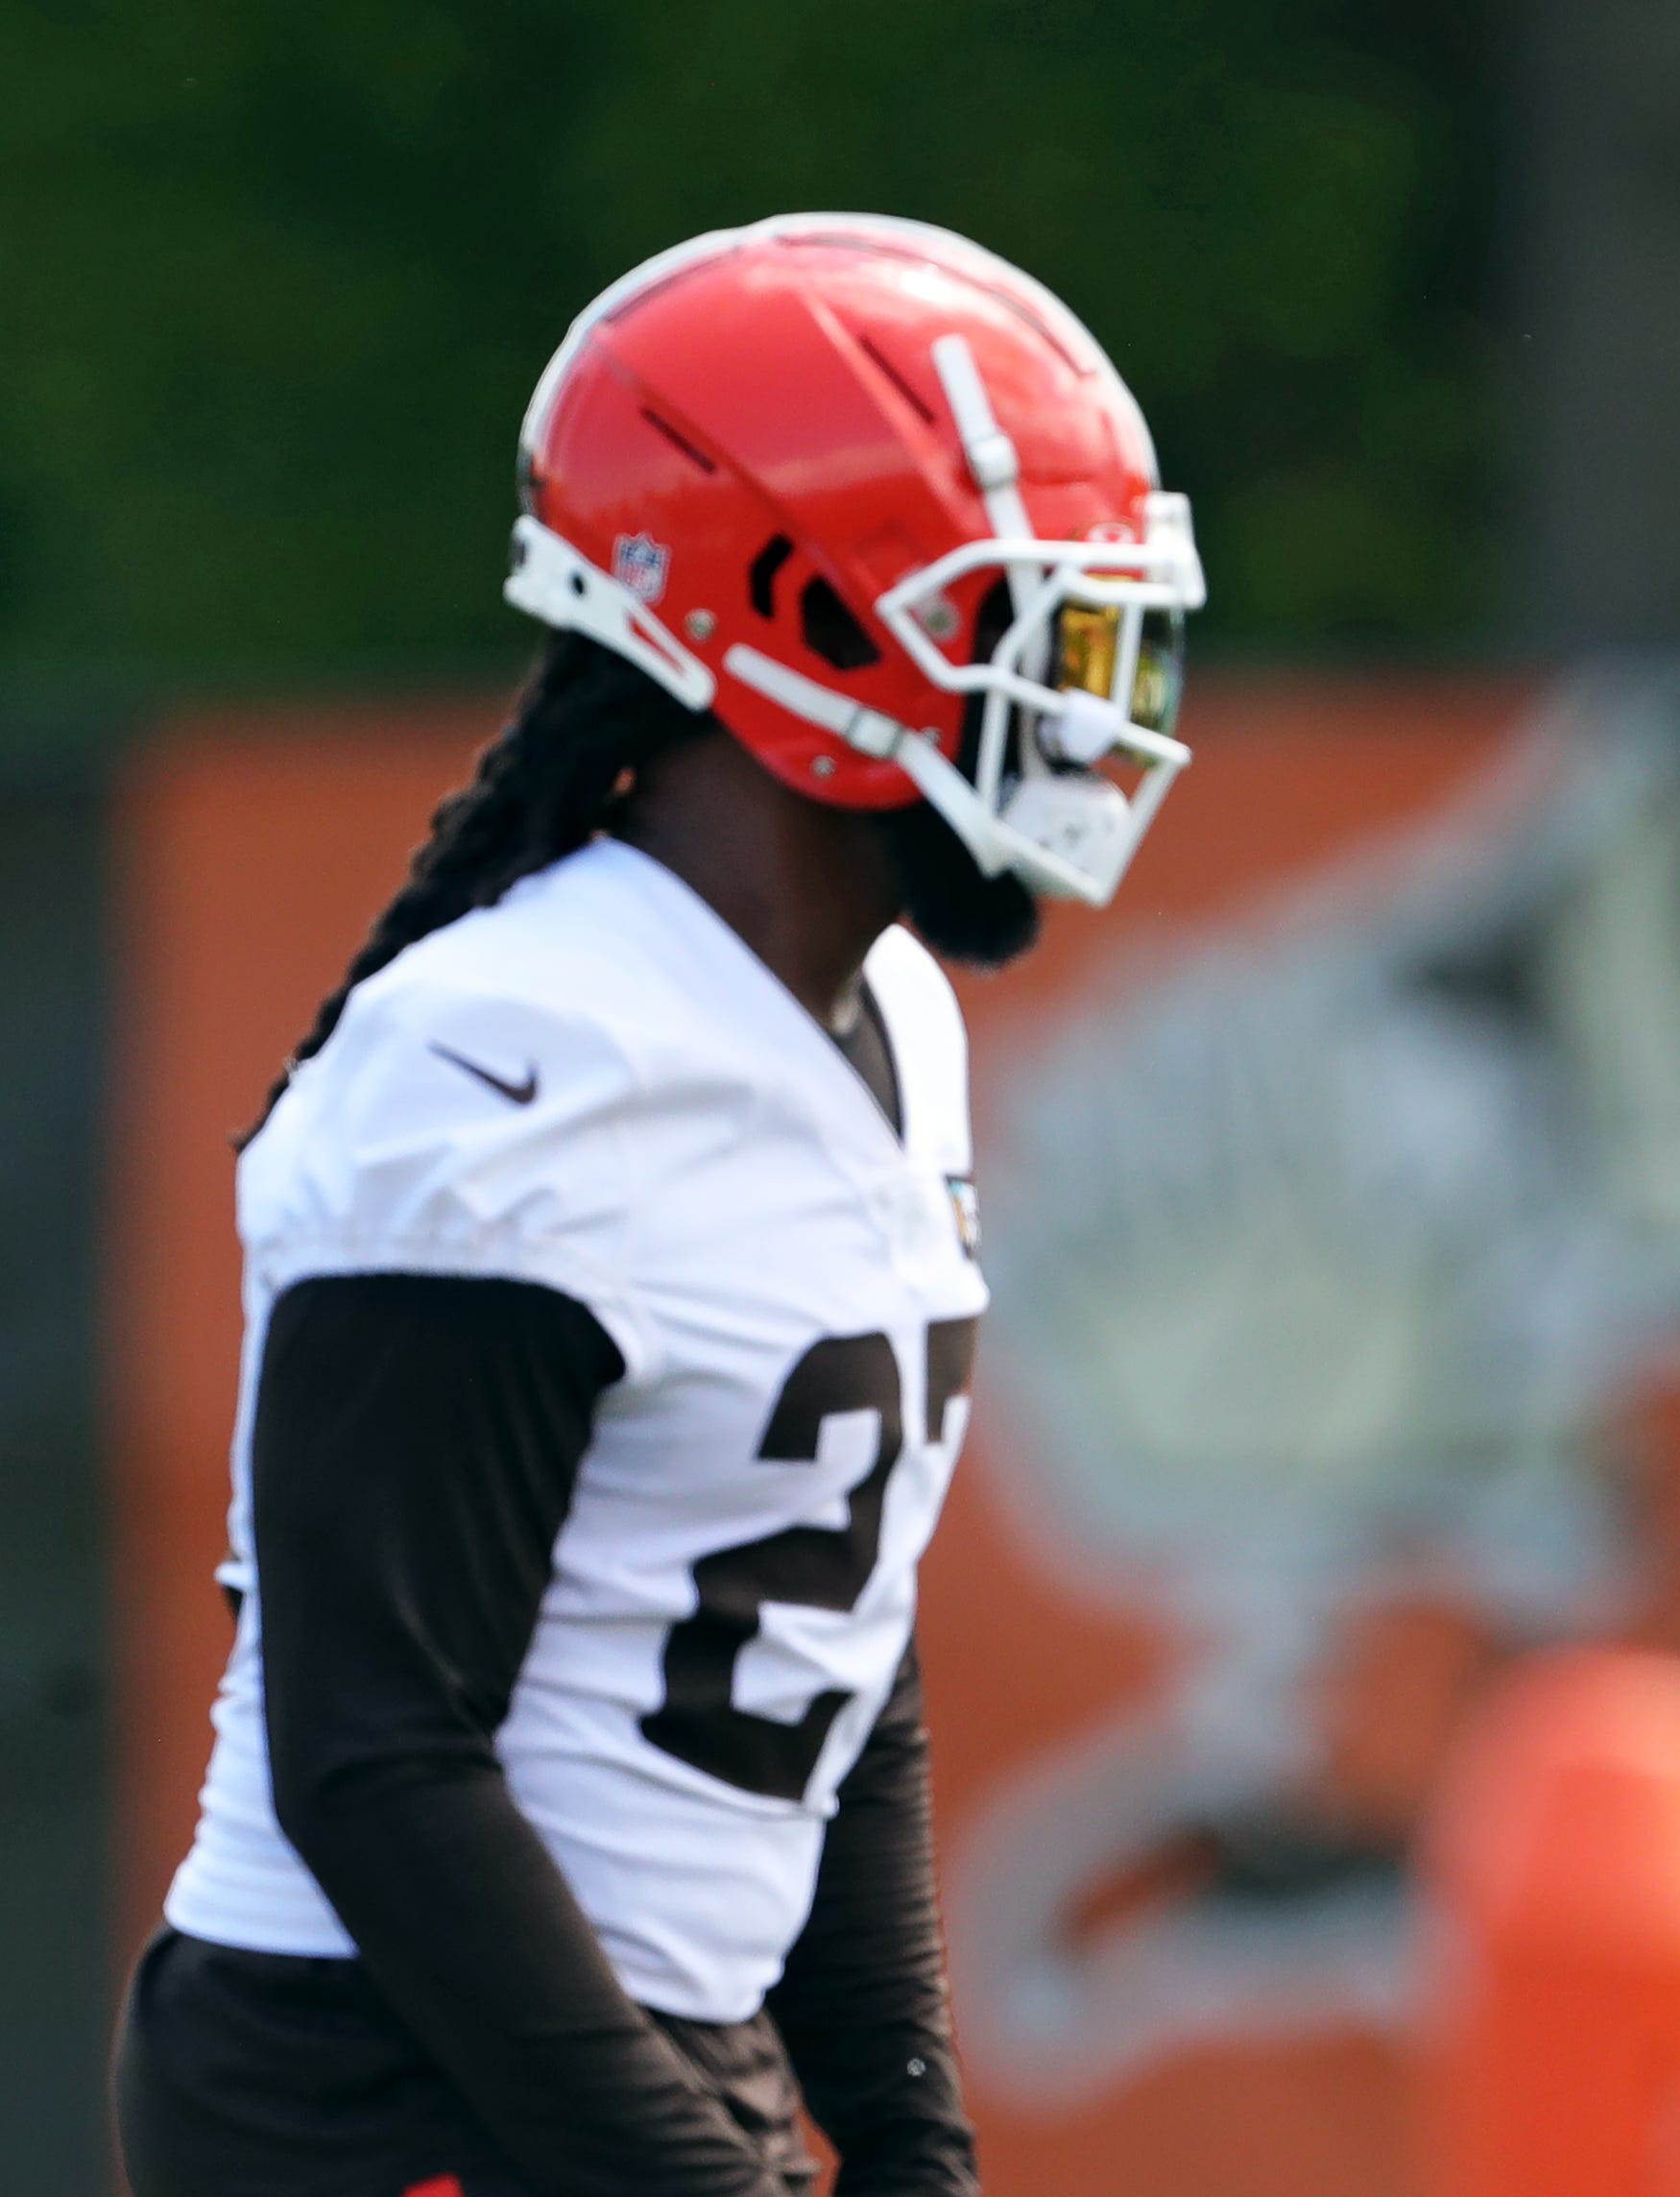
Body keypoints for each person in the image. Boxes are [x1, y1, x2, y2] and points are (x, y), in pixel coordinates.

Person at [111, 213, 1205, 2196]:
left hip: (627, 2066)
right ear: (806, 608)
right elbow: (379, 1756)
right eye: (1038, 622)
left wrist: (900, 2134)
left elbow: (830, 1642)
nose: (1092, 700)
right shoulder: (514, 1055)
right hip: (379, 2083)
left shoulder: (877, 1016)